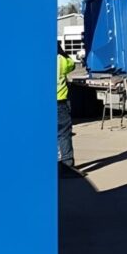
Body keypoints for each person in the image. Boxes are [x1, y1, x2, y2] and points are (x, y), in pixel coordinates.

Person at [57, 42, 76, 170]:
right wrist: (62, 52)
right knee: (63, 133)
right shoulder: (61, 61)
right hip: (59, 102)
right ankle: (67, 164)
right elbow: (72, 64)